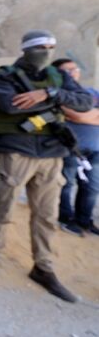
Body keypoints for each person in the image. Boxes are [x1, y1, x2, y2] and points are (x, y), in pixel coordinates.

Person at [0, 31, 92, 302]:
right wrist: (57, 102)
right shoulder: (4, 75)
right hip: (17, 152)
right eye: (41, 47)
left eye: (52, 46)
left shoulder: (58, 77)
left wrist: (48, 93)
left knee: (47, 216)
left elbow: (85, 102)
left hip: (52, 154)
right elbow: (10, 106)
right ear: (27, 49)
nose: (48, 51)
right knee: (3, 210)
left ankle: (44, 268)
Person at [52, 58, 99, 237]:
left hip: (96, 148)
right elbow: (71, 114)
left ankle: (84, 220)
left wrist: (81, 114)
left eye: (75, 69)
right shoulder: (59, 94)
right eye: (68, 70)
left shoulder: (92, 93)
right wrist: (92, 116)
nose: (73, 73)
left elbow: (77, 116)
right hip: (69, 147)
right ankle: (66, 218)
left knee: (92, 187)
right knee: (67, 183)